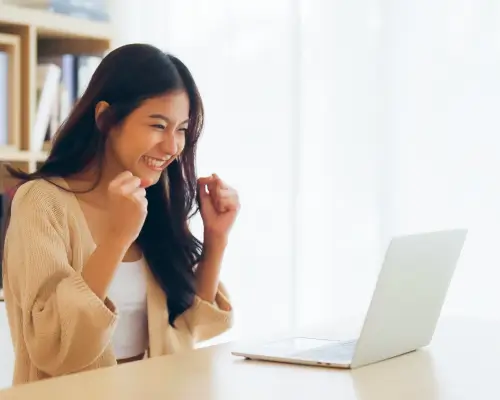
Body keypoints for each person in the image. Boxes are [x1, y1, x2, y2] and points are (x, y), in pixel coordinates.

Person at [1, 43, 240, 385]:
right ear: (106, 118)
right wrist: (116, 239)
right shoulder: (41, 202)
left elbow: (189, 328)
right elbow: (52, 347)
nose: (173, 146)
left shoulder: (152, 200)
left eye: (182, 129)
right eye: (158, 125)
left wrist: (216, 239)